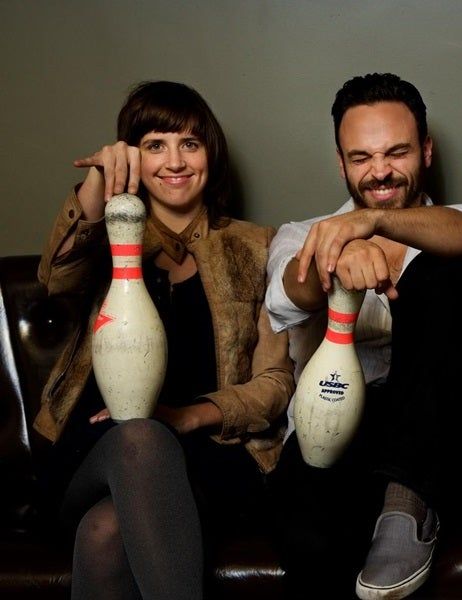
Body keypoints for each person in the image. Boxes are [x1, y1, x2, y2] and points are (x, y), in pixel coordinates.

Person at [34, 81, 294, 599]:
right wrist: (100, 180)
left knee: (105, 530)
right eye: (155, 145)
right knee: (138, 438)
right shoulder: (107, 235)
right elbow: (56, 281)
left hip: (209, 456)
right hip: (92, 447)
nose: (175, 162)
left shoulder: (257, 245)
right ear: (133, 156)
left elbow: (275, 383)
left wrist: (185, 416)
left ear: (210, 153)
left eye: (189, 144)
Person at [264, 72, 462, 599]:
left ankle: (408, 500)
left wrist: (373, 224)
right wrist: (335, 256)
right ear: (341, 162)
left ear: (426, 151)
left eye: (397, 152)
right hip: (337, 440)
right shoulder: (299, 235)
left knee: (443, 270)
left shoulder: (456, 225)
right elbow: (289, 292)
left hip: (438, 452)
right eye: (361, 157)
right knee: (306, 534)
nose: (380, 171)